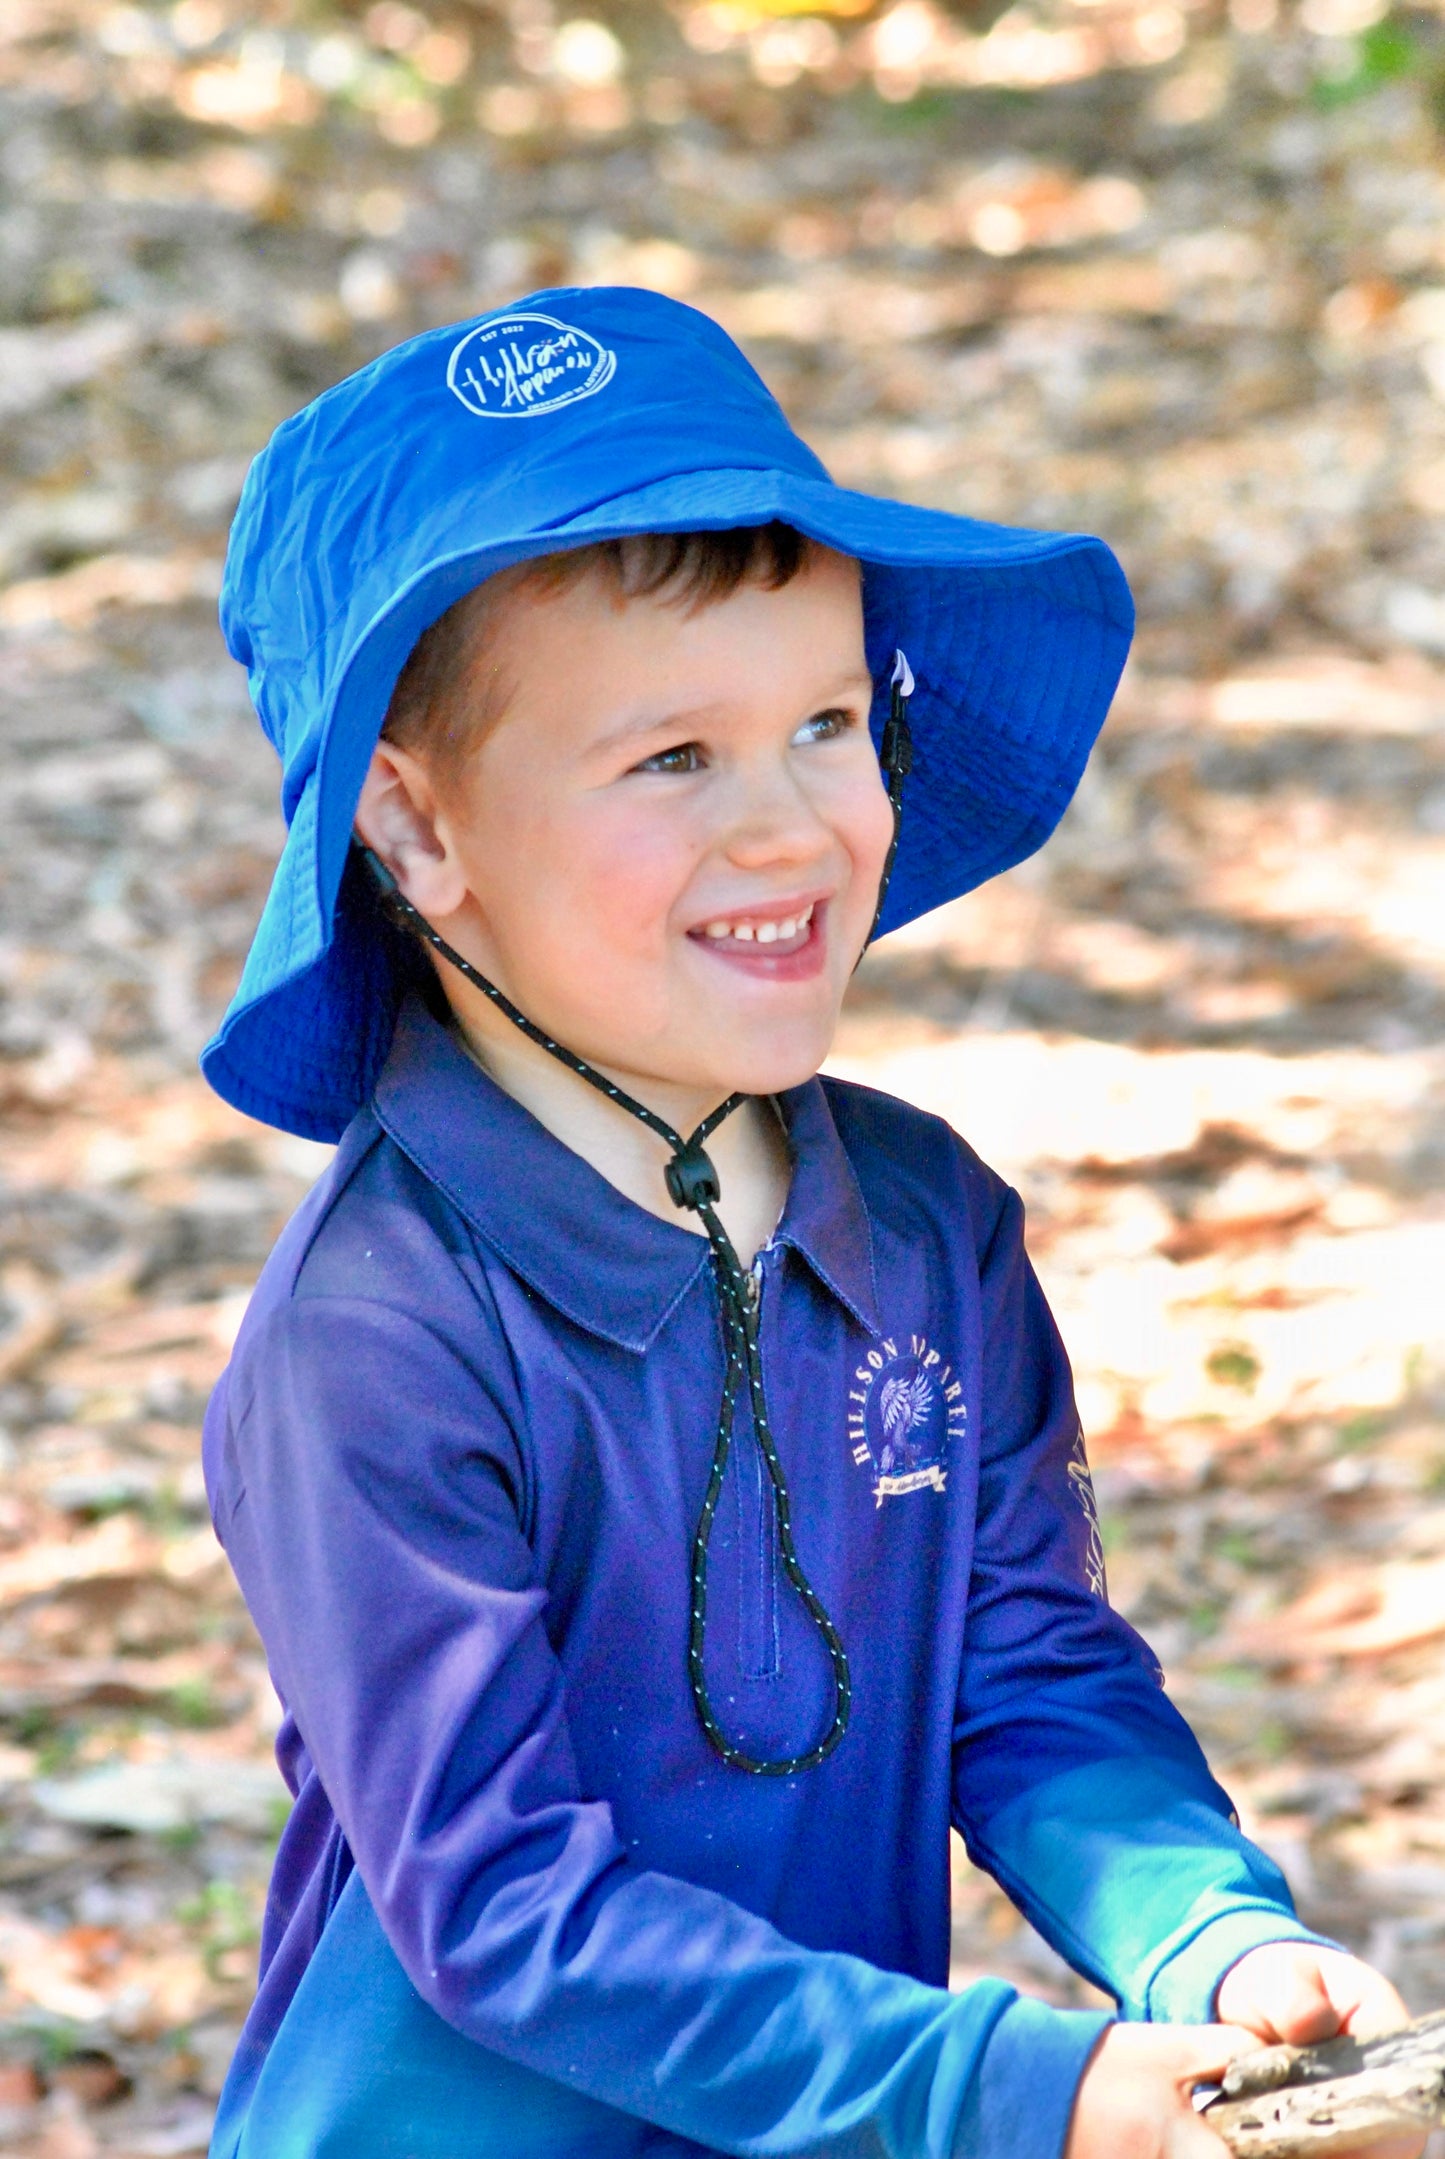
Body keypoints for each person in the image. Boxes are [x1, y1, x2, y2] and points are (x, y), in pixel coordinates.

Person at [199, 287, 1419, 2159]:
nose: (784, 827)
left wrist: (1204, 1932)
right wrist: (1006, 2090)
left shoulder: (927, 1226)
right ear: (415, 831)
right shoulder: (372, 1340)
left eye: (828, 721)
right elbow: (503, 1906)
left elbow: (1026, 1666)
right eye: (670, 758)